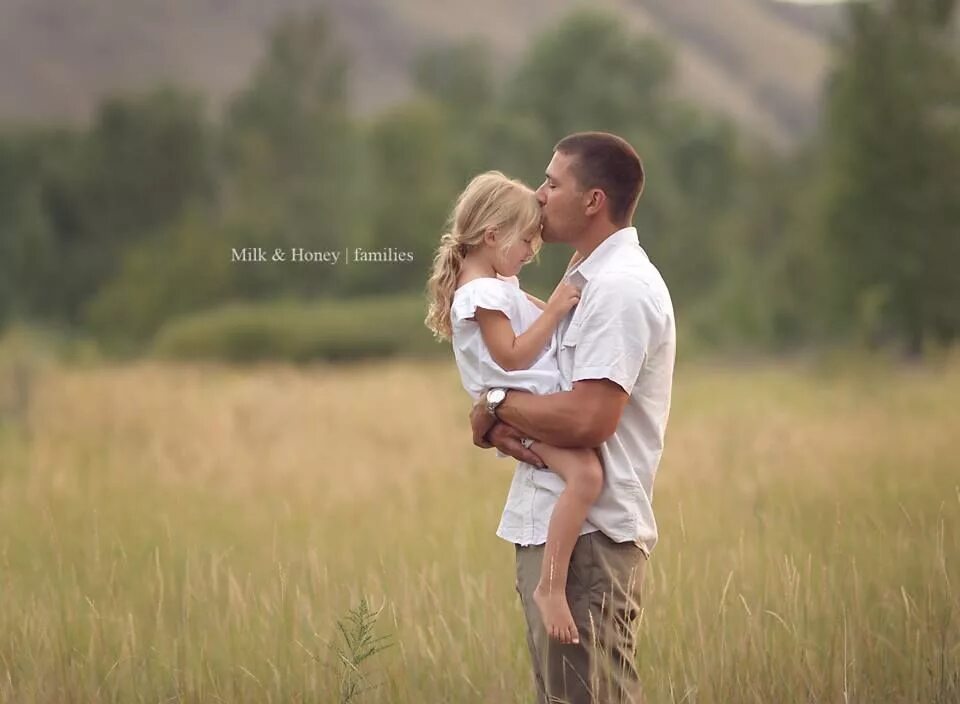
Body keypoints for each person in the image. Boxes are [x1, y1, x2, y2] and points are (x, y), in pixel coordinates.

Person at [469, 132, 676, 704]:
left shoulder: (621, 288)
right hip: (563, 536)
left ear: (594, 201)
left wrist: (495, 406)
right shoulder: (585, 280)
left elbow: (589, 419)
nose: (538, 196)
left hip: (590, 543)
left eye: (553, 183)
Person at [425, 170, 605, 645]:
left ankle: (550, 582)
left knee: (585, 476)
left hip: (528, 402)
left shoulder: (498, 282)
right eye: (525, 240)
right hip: (525, 405)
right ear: (492, 235)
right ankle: (550, 587)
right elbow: (511, 354)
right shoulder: (482, 292)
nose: (530, 251)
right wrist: (555, 310)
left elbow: (537, 319)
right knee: (585, 477)